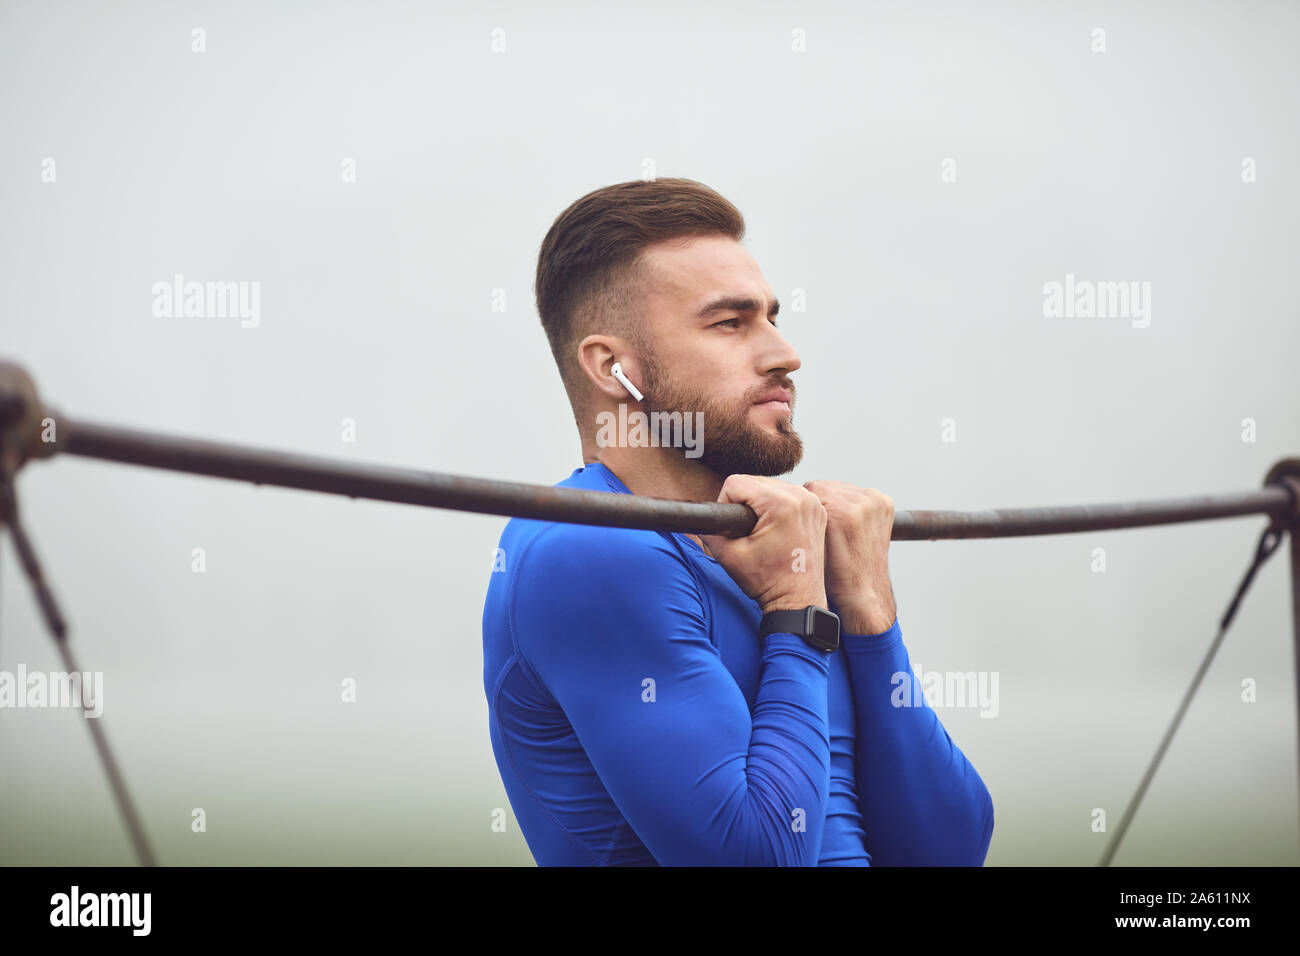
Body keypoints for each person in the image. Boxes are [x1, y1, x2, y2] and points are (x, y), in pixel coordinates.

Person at [481, 178, 993, 865]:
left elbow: (950, 853)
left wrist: (869, 614)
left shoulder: (782, 553)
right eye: (731, 322)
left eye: (772, 317)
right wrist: (796, 611)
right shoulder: (592, 548)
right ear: (613, 368)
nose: (785, 353)